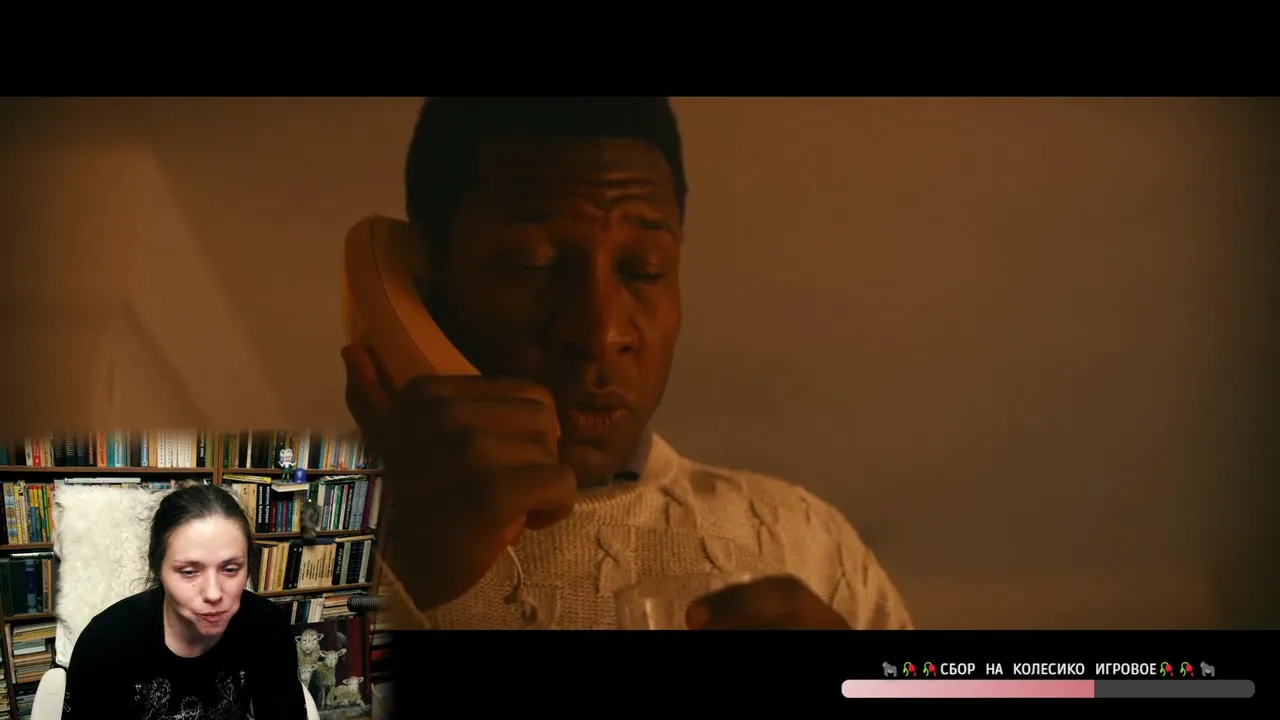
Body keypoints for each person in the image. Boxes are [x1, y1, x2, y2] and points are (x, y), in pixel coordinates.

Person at [344, 97, 913, 631]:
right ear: (419, 285)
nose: (602, 334)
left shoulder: (809, 542)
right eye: (535, 265)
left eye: (644, 269)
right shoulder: (309, 534)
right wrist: (397, 571)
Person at [63, 484, 309, 719]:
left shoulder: (267, 626)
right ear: (157, 567)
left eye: (231, 569)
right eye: (189, 572)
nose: (213, 593)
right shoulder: (104, 643)